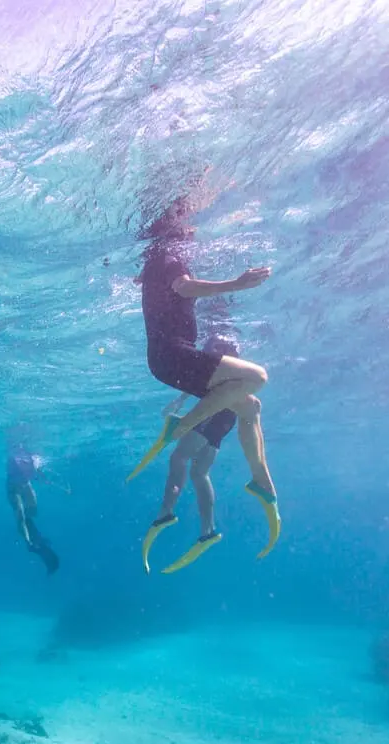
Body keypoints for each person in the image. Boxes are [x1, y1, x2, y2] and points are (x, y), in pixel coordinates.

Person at [127, 199, 280, 558]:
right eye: (187, 222)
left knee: (249, 405)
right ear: (173, 230)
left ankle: (261, 482)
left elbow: (169, 291)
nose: (194, 228)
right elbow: (185, 287)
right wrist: (237, 283)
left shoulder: (155, 263)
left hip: (167, 359)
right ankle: (179, 429)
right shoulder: (169, 258)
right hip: (172, 355)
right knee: (257, 377)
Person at [141, 336, 241, 574]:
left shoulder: (217, 344)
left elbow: (206, 376)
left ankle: (166, 513)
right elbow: (206, 379)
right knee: (199, 472)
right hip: (228, 413)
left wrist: (181, 403)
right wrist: (180, 400)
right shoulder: (223, 349)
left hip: (218, 409)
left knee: (178, 458)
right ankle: (208, 531)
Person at [5, 437, 61, 575]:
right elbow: (20, 466)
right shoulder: (14, 457)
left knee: (33, 510)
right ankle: (29, 542)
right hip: (13, 487)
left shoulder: (32, 457)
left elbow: (36, 470)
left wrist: (44, 478)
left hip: (25, 484)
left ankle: (32, 532)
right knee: (20, 513)